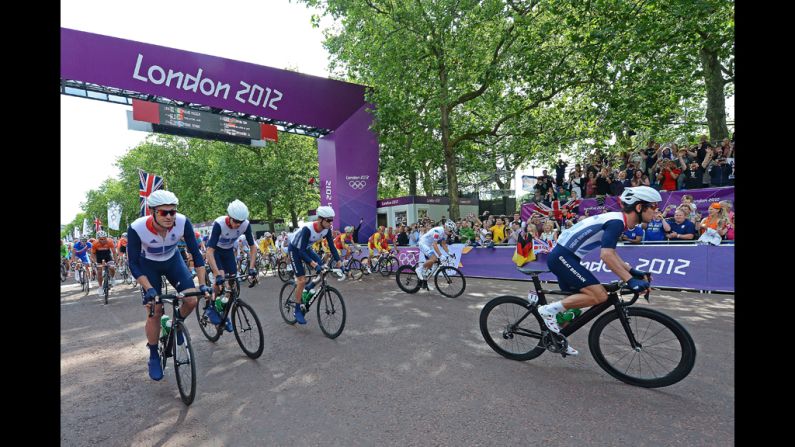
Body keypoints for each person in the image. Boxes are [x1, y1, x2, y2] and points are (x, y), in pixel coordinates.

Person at [535, 186, 660, 356]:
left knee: (577, 302)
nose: (656, 210)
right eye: (653, 206)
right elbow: (606, 256)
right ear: (639, 207)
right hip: (562, 257)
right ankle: (547, 310)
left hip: (567, 257)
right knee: (599, 295)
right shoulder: (617, 222)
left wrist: (632, 271)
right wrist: (630, 281)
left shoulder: (618, 220)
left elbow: (612, 253)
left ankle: (557, 338)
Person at [126, 190, 209, 381]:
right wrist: (149, 289)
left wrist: (203, 284)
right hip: (148, 266)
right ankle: (154, 354)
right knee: (154, 309)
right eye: (164, 212)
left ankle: (174, 324)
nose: (170, 216)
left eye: (173, 211)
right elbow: (134, 264)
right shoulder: (137, 228)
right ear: (153, 211)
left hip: (173, 262)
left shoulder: (182, 222)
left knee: (192, 300)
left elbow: (196, 254)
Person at [205, 200, 258, 332]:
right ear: (229, 216)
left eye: (241, 222)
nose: (238, 225)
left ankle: (223, 314)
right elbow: (209, 252)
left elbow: (253, 247)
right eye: (235, 221)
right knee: (221, 278)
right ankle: (211, 308)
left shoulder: (245, 224)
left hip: (228, 252)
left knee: (232, 284)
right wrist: (217, 275)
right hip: (216, 252)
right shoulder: (219, 224)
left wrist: (251, 268)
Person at [288, 206, 342, 324]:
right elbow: (301, 252)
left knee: (324, 269)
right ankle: (297, 310)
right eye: (328, 220)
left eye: (331, 220)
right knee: (301, 280)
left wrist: (339, 262)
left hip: (306, 248)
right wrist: (314, 265)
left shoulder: (327, 229)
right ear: (320, 219)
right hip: (295, 249)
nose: (330, 223)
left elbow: (332, 246)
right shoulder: (307, 229)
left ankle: (309, 287)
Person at [416, 220, 457, 291]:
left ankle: (424, 281)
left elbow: (443, 244)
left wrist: (449, 253)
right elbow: (435, 244)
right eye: (451, 231)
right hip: (423, 243)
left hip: (429, 245)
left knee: (434, 262)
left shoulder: (445, 233)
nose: (451, 233)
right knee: (434, 258)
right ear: (447, 228)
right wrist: (440, 255)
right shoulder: (438, 231)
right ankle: (419, 269)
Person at [90, 230, 118, 297]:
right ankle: (100, 287)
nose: (103, 240)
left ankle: (112, 278)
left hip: (107, 256)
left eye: (104, 238)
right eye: (101, 239)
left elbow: (114, 252)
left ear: (106, 237)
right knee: (99, 271)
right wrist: (96, 262)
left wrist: (116, 261)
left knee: (112, 267)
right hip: (98, 256)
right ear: (98, 239)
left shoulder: (110, 241)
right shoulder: (94, 243)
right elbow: (92, 255)